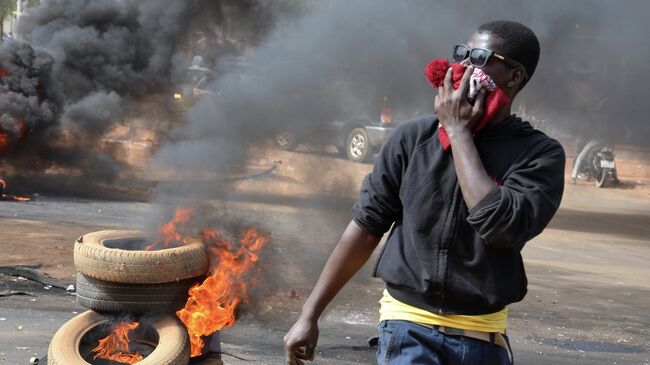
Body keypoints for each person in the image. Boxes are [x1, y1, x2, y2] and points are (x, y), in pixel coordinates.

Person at [284, 20, 565, 365]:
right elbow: (366, 225)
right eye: (461, 53)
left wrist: (458, 133)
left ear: (514, 76)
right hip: (407, 329)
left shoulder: (539, 154)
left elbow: (499, 225)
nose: (462, 67)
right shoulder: (413, 138)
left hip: (484, 338)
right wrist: (309, 315)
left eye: (479, 57)